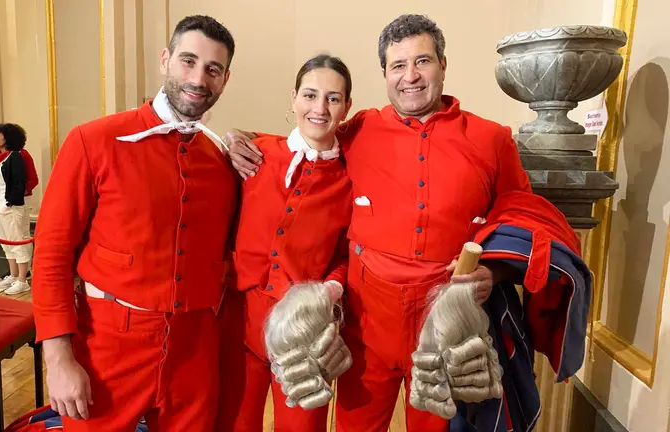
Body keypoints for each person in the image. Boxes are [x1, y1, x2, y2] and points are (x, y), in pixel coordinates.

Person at [225, 14, 531, 432]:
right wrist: (236, 140)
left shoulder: (492, 139)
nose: (411, 76)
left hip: (441, 325)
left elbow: (523, 224)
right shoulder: (361, 129)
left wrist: (493, 272)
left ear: (443, 64)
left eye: (422, 62)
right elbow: (312, 137)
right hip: (367, 324)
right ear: (385, 74)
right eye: (398, 66)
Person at [31, 15, 239, 431]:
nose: (199, 78)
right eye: (188, 61)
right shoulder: (94, 141)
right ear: (165, 59)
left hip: (195, 348)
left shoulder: (223, 160)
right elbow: (52, 254)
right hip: (108, 345)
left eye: (213, 70)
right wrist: (58, 358)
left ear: (225, 79)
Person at [216, 54, 354, 432]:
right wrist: (230, 138)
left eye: (333, 98)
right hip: (240, 316)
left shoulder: (350, 178)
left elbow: (347, 254)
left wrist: (329, 290)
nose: (319, 108)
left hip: (304, 328)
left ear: (346, 107)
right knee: (235, 423)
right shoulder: (254, 153)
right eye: (310, 95)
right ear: (293, 98)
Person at [0, 123, 34, 295]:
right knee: (6, 244)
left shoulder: (15, 157)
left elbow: (19, 182)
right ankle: (14, 275)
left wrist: (9, 203)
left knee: (17, 242)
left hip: (10, 207)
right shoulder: (0, 159)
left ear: (8, 138)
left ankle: (22, 279)